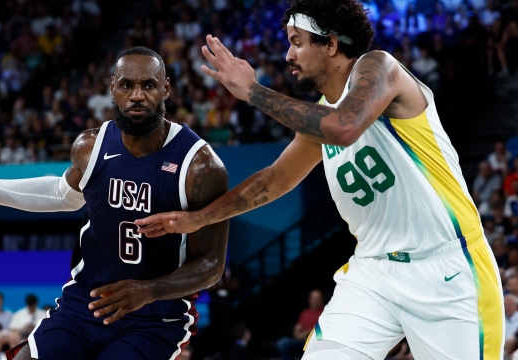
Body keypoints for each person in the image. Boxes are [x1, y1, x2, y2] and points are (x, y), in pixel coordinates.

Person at [137, 0, 504, 358]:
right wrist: (199, 219)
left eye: (297, 42)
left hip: (447, 267)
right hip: (374, 271)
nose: (287, 56)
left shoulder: (380, 68)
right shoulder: (320, 119)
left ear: (330, 44)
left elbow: (343, 128)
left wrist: (252, 91)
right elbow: (275, 178)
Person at [0, 46, 229, 360]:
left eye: (148, 85)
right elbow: (61, 195)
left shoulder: (200, 167)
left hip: (155, 317)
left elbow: (212, 266)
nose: (137, 95)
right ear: (112, 89)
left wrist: (148, 291)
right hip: (85, 303)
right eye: (126, 85)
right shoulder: (90, 146)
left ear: (166, 89)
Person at [276, 289, 324, 360]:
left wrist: (304, 334)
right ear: (309, 300)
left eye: (317, 299)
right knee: (282, 342)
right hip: (301, 341)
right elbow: (296, 330)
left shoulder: (325, 312)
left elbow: (318, 331)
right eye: (313, 298)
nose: (315, 301)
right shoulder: (305, 313)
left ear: (321, 300)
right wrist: (300, 336)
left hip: (315, 341)